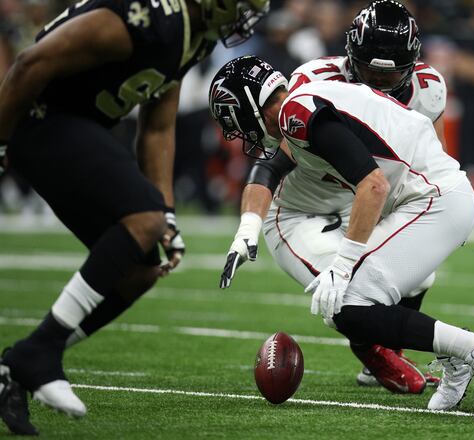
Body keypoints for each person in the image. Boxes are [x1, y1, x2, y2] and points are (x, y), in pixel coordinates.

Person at [0, 0, 271, 435]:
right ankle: (37, 355)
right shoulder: (151, 17)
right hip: (41, 119)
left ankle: (22, 363)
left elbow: (159, 126)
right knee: (141, 220)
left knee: (141, 267)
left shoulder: (193, 36)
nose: (249, 13)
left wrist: (166, 213)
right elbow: (31, 61)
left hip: (75, 126)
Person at [209, 54, 474, 422]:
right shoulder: (305, 97)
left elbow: (373, 186)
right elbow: (276, 170)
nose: (234, 130)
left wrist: (342, 267)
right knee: (361, 298)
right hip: (435, 193)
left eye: (231, 116)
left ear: (250, 101)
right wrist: (249, 226)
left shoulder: (295, 112)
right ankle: (457, 356)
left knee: (348, 301)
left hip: (430, 198)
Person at [219, 0, 448, 394]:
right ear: (349, 54)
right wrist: (249, 224)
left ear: (411, 65)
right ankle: (373, 353)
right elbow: (274, 160)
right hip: (300, 210)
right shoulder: (316, 81)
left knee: (421, 271)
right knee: (351, 291)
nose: (374, 82)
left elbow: (423, 166)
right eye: (365, 70)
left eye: (386, 74)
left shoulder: (428, 91)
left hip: (361, 200)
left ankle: (384, 353)